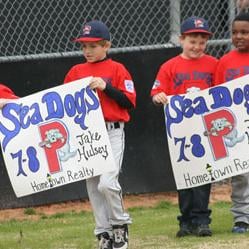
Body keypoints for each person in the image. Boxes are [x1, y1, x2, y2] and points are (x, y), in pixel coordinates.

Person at [63, 20, 136, 249]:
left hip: (112, 131)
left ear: (107, 46)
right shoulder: (76, 71)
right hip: (88, 134)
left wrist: (106, 87)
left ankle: (119, 227)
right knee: (94, 187)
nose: (87, 50)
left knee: (107, 182)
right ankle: (103, 234)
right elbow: (64, 104)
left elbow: (129, 102)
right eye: (84, 46)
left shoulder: (117, 69)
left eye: (93, 46)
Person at [150, 16, 218, 237]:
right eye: (192, 41)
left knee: (204, 176)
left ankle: (201, 220)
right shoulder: (169, 66)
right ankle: (185, 221)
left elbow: (221, 93)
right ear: (181, 39)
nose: (197, 46)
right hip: (180, 132)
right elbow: (156, 93)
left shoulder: (213, 64)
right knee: (185, 175)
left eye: (202, 42)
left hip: (206, 130)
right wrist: (159, 96)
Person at [214, 12, 249, 233]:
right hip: (237, 127)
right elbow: (216, 97)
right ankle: (242, 218)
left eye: (245, 32)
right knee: (241, 174)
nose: (239, 36)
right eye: (235, 32)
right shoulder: (225, 61)